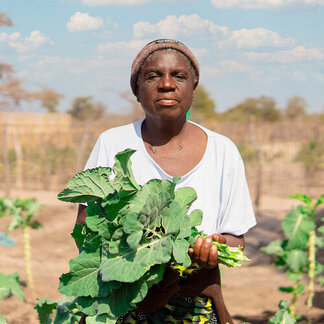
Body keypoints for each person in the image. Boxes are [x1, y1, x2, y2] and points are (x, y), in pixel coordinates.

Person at [77, 39, 256, 324]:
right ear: (137, 90)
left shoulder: (223, 150)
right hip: (124, 300)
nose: (166, 85)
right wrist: (130, 260)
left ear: (193, 90)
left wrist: (214, 248)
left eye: (179, 76)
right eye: (152, 76)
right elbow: (87, 226)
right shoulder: (112, 143)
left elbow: (235, 240)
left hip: (193, 306)